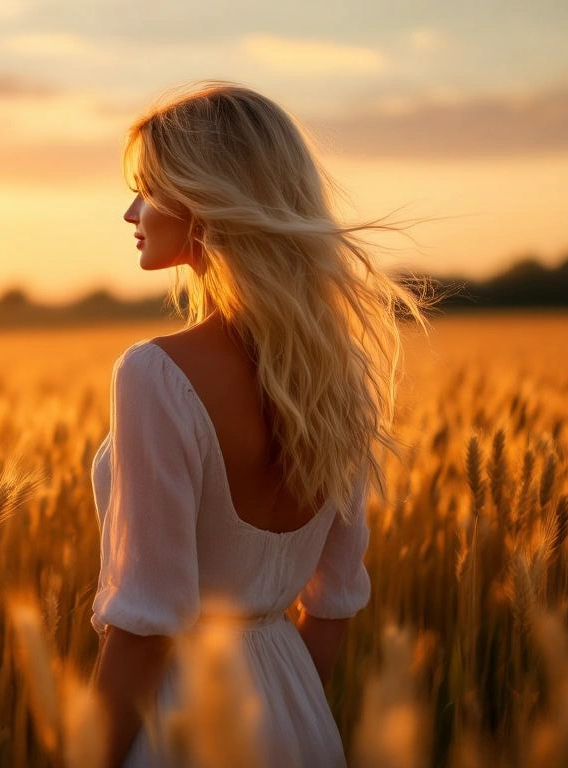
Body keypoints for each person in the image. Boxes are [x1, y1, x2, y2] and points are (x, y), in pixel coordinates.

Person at [88, 81, 429, 767]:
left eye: (149, 190)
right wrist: (284, 714)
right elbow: (334, 604)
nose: (131, 212)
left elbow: (146, 627)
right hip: (299, 711)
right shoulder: (339, 375)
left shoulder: (156, 373)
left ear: (206, 203)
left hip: (186, 715)